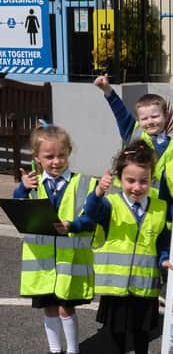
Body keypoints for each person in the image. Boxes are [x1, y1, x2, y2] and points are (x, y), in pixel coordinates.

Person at [56, 140, 173, 354]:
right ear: (119, 179)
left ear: (151, 180)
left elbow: (162, 240)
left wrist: (164, 258)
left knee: (141, 333)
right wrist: (99, 191)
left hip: (144, 286)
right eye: (130, 180)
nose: (137, 187)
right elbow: (91, 213)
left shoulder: (160, 208)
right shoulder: (110, 204)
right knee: (116, 333)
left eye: (143, 181)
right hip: (115, 287)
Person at [15, 123, 96, 354]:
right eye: (49, 156)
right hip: (42, 265)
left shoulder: (84, 183)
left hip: (69, 262)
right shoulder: (31, 183)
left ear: (69, 151)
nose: (56, 161)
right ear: (37, 157)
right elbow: (18, 209)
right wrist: (22, 189)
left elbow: (92, 217)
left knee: (65, 309)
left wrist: (74, 225)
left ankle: (72, 350)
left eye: (61, 155)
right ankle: (54, 349)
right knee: (49, 308)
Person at [94, 74, 173, 197]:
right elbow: (120, 111)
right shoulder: (133, 132)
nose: (150, 121)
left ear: (166, 116)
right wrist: (107, 89)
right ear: (138, 120)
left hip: (154, 203)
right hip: (123, 198)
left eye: (155, 116)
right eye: (144, 118)